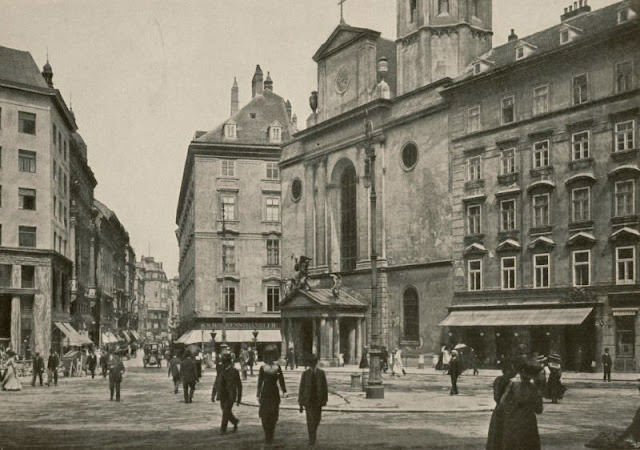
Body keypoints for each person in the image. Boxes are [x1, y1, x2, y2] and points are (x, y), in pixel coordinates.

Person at [500, 361, 544, 450]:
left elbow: (502, 402)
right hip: (529, 422)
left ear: (521, 373)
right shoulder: (534, 389)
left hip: (513, 419)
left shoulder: (512, 386)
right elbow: (539, 409)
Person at [257, 344, 287, 445]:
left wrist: (284, 391)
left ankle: (271, 435)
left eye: (271, 355)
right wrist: (258, 394)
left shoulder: (277, 368)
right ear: (266, 357)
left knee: (273, 415)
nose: (270, 358)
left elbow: (281, 380)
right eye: (268, 356)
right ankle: (267, 435)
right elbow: (260, 382)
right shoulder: (262, 368)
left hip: (274, 393)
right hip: (265, 393)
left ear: (274, 356)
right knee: (265, 415)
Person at [299, 353, 328, 448]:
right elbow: (301, 388)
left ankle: (313, 432)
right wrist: (300, 402)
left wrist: (325, 400)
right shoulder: (305, 373)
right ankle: (312, 438)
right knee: (310, 419)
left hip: (318, 400)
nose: (312, 364)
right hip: (309, 400)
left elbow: (325, 387)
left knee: (317, 419)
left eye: (314, 362)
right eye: (311, 362)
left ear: (316, 362)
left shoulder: (321, 373)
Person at [211, 352, 242, 435]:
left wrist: (239, 398)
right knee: (225, 411)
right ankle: (235, 421)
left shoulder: (235, 372)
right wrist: (213, 394)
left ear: (228, 362)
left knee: (225, 411)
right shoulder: (221, 371)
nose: (223, 363)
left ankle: (223, 430)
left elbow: (239, 385)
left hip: (231, 395)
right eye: (223, 361)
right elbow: (216, 382)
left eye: (224, 362)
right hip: (222, 394)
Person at [486, 364, 515, 450]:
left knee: (496, 433)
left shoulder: (498, 380)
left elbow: (496, 396)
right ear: (507, 371)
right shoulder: (508, 382)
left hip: (499, 409)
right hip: (505, 411)